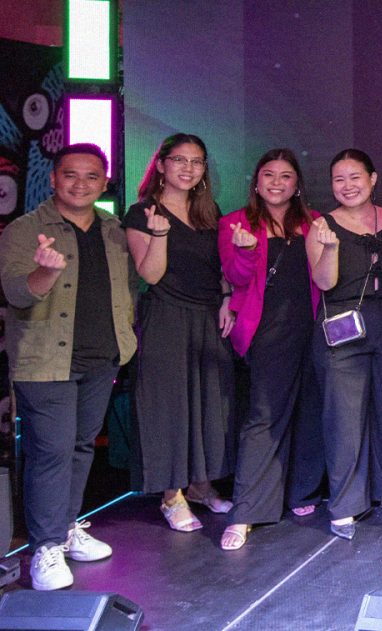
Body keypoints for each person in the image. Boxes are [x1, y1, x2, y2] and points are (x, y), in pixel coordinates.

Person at [1, 144, 136, 590]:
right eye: (71, 175)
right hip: (46, 362)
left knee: (80, 447)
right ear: (54, 179)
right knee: (51, 452)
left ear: (104, 182)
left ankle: (64, 528)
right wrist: (45, 272)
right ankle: (45, 547)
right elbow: (17, 293)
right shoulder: (26, 230)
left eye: (91, 176)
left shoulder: (113, 229)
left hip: (100, 357)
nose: (81, 184)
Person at [125, 133, 235, 533]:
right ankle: (172, 496)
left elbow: (220, 267)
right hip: (166, 316)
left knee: (208, 405)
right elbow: (151, 274)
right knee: (169, 407)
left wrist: (226, 298)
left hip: (208, 315)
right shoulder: (142, 212)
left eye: (197, 161)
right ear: (161, 164)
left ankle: (201, 486)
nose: (188, 168)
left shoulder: (209, 212)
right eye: (179, 160)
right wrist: (159, 234)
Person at [218, 149, 323, 551]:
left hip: (311, 327)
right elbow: (236, 276)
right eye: (269, 175)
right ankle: (245, 512)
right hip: (268, 331)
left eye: (285, 176)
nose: (277, 183)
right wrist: (245, 250)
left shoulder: (313, 222)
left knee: (309, 412)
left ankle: (301, 492)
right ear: (256, 181)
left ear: (297, 185)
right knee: (263, 416)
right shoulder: (235, 222)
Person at [306, 148, 382, 540]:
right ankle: (344, 504)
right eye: (339, 179)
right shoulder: (322, 225)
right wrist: (331, 248)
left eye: (355, 177)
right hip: (343, 325)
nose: (348, 186)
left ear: (373, 178)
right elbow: (324, 283)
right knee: (344, 418)